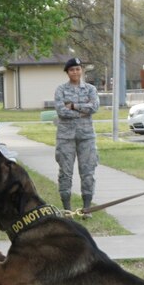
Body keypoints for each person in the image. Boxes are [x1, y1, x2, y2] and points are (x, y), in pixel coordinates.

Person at [53, 57, 100, 211]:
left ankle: (87, 208)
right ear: (67, 72)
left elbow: (94, 107)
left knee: (88, 172)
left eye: (78, 69)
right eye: (72, 69)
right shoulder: (61, 90)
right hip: (66, 137)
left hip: (86, 137)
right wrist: (82, 112)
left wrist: (73, 106)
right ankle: (67, 208)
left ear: (82, 71)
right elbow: (61, 111)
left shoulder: (90, 89)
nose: (75, 72)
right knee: (65, 173)